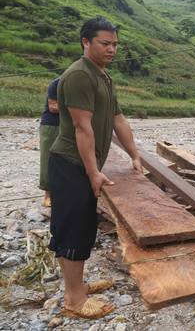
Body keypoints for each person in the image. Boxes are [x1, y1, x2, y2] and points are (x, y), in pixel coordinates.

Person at [48, 16, 142, 319]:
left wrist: (134, 155)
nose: (112, 49)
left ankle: (79, 287)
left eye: (115, 44)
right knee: (73, 229)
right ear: (85, 42)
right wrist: (92, 172)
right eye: (105, 43)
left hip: (83, 164)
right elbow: (81, 128)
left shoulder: (102, 75)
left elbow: (119, 119)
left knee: (84, 227)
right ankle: (73, 300)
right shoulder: (78, 75)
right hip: (70, 163)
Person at [38, 77, 60, 207]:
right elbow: (53, 107)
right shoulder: (57, 83)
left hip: (71, 125)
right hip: (52, 125)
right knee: (48, 159)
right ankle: (48, 195)